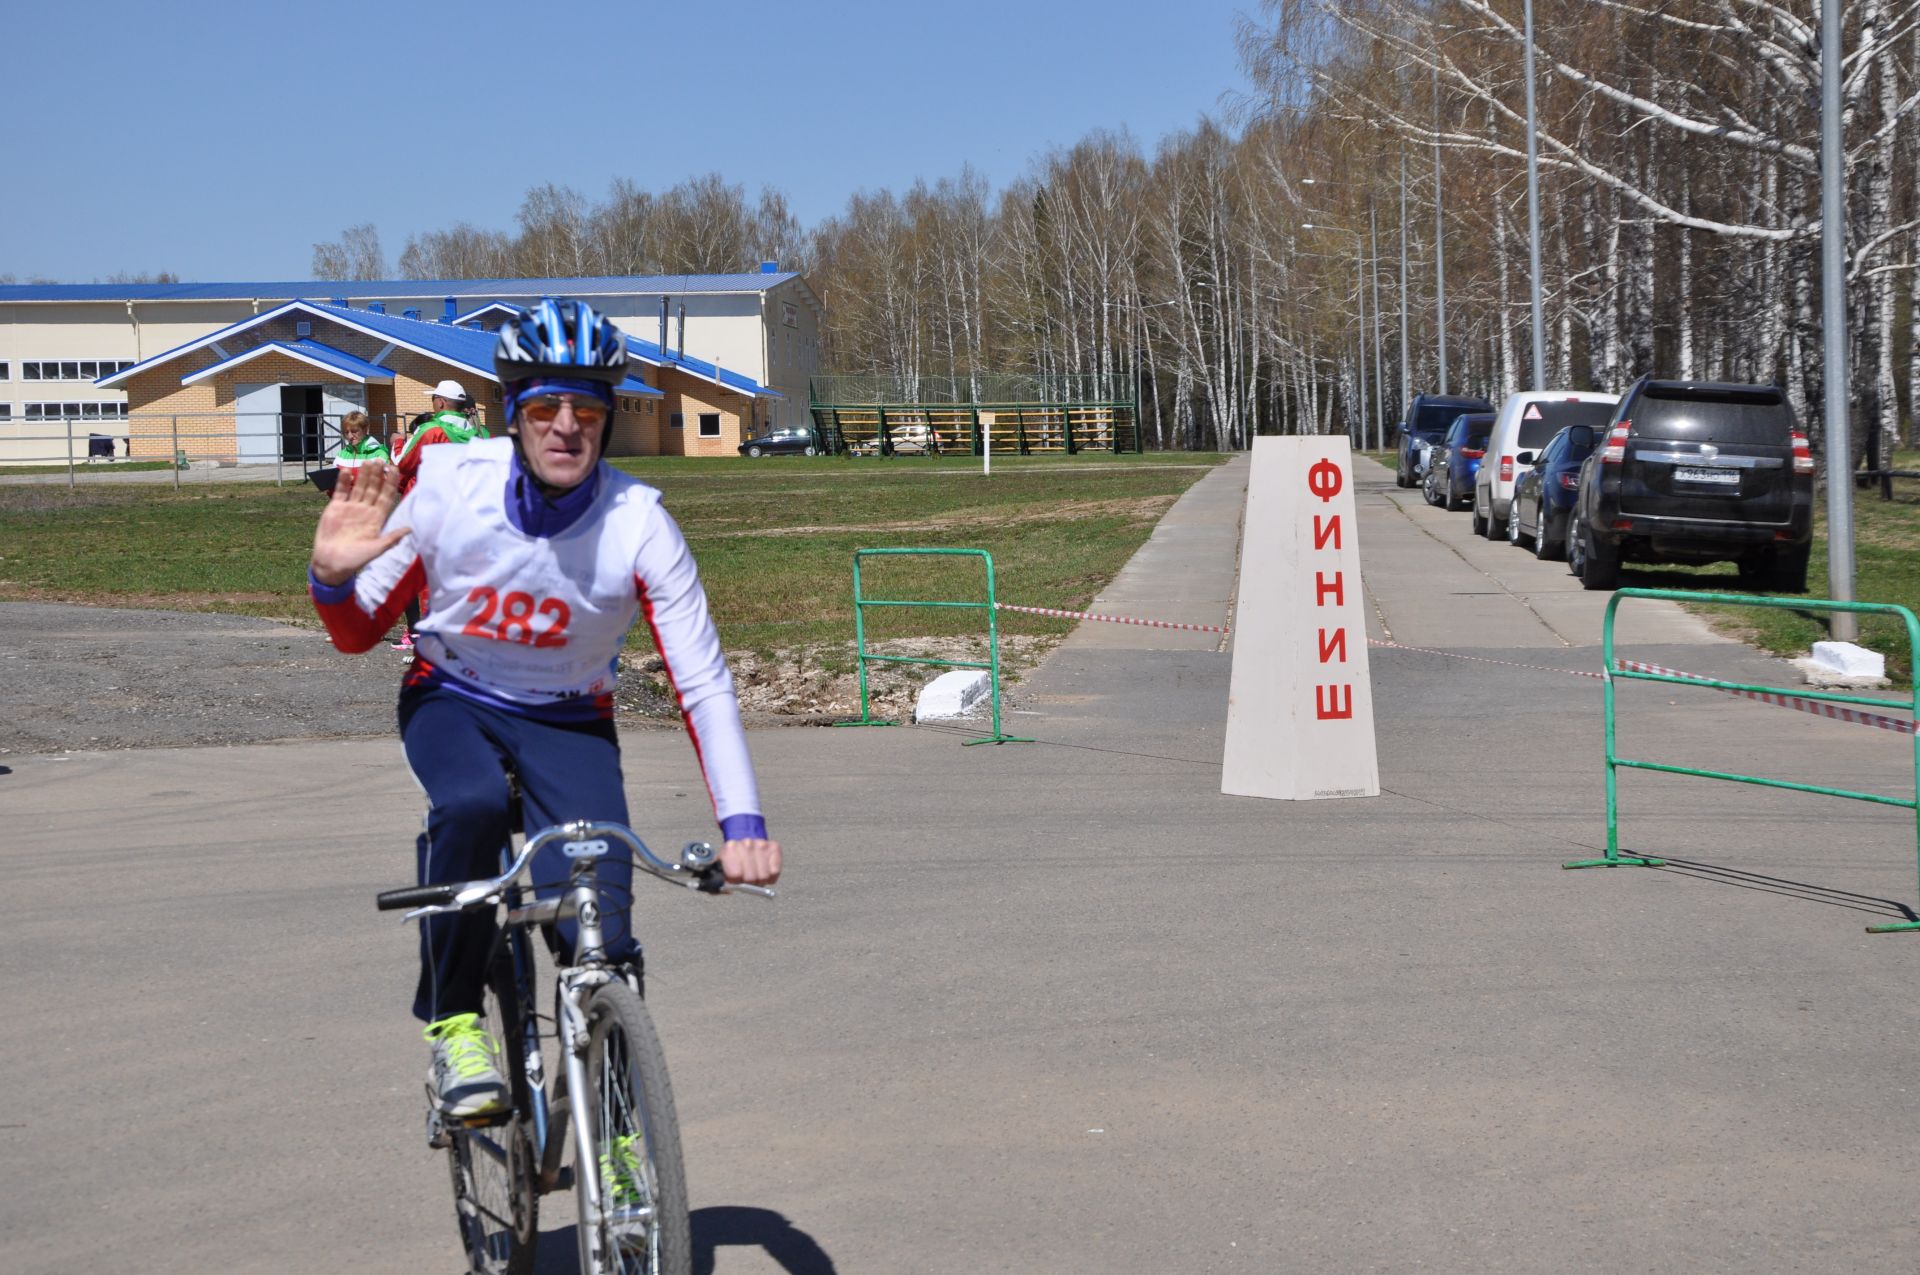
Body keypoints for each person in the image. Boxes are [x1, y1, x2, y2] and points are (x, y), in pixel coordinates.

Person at [307, 299, 781, 1118]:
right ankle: (455, 1025)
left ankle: (624, 1135)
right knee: (473, 804)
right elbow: (355, 634)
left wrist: (742, 825)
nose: (566, 426)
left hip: (569, 720)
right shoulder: (450, 488)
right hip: (453, 697)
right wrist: (330, 577)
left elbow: (701, 680)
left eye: (587, 408)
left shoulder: (641, 524)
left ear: (606, 418)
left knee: (603, 933)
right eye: (544, 408)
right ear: (513, 414)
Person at [389, 381, 487, 649]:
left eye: (434, 399)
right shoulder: (480, 433)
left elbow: (402, 463)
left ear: (441, 402)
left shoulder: (431, 430)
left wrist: (397, 443)